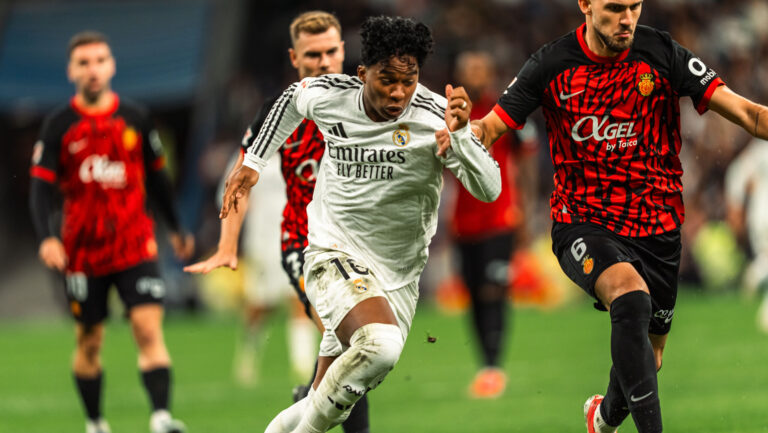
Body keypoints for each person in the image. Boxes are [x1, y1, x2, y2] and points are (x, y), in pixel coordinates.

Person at [458, 0, 768, 432]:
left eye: (635, 6)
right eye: (615, 8)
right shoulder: (551, 64)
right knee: (630, 296)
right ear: (585, 5)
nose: (627, 19)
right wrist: (463, 128)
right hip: (583, 221)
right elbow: (490, 128)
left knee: (648, 358)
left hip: (658, 228)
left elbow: (749, 113)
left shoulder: (662, 54)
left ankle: (602, 419)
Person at [220, 15, 501, 433]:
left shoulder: (436, 117)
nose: (398, 92)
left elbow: (490, 189)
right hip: (333, 251)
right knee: (380, 344)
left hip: (399, 275)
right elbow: (291, 99)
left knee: (322, 396)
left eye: (408, 81)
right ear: (362, 73)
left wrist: (461, 137)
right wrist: (254, 162)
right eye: (387, 80)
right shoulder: (331, 96)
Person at [184, 11, 370, 432]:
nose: (323, 62)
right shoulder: (278, 113)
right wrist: (228, 244)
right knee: (346, 340)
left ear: (343, 51)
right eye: (312, 54)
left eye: (330, 51)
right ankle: (304, 392)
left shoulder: (368, 104)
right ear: (294, 58)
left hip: (357, 241)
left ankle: (308, 394)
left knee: (362, 348)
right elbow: (239, 180)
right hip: (299, 242)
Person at [29, 31, 193, 433]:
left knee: (147, 328)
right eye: (84, 63)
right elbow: (40, 187)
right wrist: (47, 237)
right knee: (89, 341)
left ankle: (161, 418)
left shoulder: (135, 117)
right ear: (71, 71)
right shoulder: (59, 125)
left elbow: (158, 178)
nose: (93, 70)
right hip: (83, 251)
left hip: (135, 243)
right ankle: (95, 423)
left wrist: (175, 227)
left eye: (100, 60)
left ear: (112, 66)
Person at [450, 50, 535, 399]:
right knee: (472, 295)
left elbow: (526, 160)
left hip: (500, 219)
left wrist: (525, 209)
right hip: (463, 222)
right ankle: (484, 366)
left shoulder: (505, 111)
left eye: (481, 69)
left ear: (489, 74)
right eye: (470, 69)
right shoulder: (448, 113)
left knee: (492, 291)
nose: (476, 74)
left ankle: (493, 367)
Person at [725, 138, 768, 334]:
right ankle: (755, 274)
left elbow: (737, 183)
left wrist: (737, 214)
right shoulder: (759, 150)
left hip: (758, 214)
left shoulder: (755, 151)